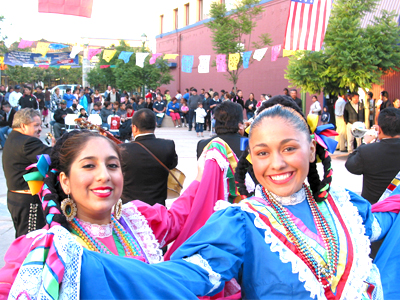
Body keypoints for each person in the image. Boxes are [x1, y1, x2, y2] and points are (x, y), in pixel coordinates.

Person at [51, 96, 400, 300]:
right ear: (251, 161)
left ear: (312, 151)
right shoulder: (240, 222)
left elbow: (385, 220)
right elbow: (185, 277)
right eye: (262, 153)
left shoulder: (345, 206)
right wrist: (81, 265)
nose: (276, 164)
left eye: (289, 148)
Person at [2, 108, 53, 237]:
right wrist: (56, 148)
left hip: (16, 198)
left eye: (40, 125)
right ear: (23, 126)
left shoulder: (13, 138)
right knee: (31, 241)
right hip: (28, 200)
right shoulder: (27, 142)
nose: (40, 129)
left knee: (22, 237)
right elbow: (53, 156)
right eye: (36, 125)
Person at [119, 109, 178, 205]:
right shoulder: (168, 145)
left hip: (130, 209)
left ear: (134, 128)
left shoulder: (122, 149)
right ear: (155, 125)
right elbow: (172, 165)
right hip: (157, 208)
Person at [346, 107, 400, 204]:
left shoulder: (367, 151)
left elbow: (350, 165)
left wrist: (365, 142)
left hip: (374, 210)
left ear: (379, 129)